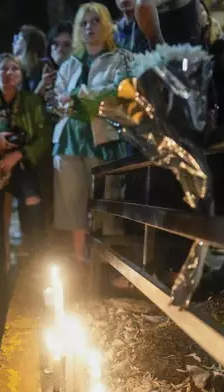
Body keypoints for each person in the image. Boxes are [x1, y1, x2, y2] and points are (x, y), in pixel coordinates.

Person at [53, 2, 129, 268]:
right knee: (73, 203)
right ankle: (79, 261)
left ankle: (107, 264)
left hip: (104, 138)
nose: (89, 28)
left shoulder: (119, 58)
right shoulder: (70, 64)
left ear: (106, 24)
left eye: (95, 21)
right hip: (70, 139)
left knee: (106, 203)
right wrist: (66, 102)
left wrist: (88, 99)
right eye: (84, 23)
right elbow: (59, 97)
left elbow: (119, 93)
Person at [0, 53, 52, 299]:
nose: (8, 73)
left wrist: (19, 154)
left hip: (21, 164)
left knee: (33, 201)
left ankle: (33, 269)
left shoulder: (31, 101)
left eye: (14, 69)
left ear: (21, 75)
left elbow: (42, 137)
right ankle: (0, 280)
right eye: (3, 69)